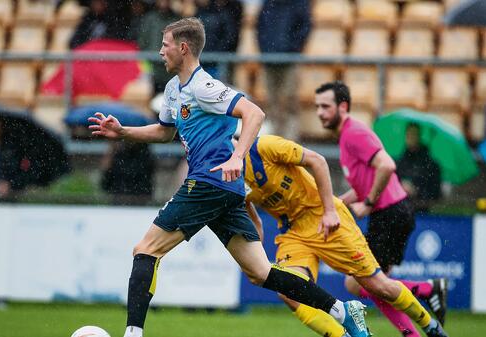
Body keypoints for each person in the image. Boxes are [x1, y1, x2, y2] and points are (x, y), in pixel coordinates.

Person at [89, 18, 371, 337]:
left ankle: (132, 334)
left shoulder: (203, 86)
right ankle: (342, 310)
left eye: (165, 44)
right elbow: (165, 132)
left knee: (146, 250)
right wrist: (124, 131)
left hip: (208, 182)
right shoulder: (172, 89)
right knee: (261, 272)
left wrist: (238, 156)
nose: (160, 51)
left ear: (183, 48)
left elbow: (254, 113)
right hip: (225, 189)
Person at [241, 134, 449, 337]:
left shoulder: (264, 147)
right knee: (288, 293)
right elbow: (255, 221)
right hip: (292, 232)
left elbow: (318, 161)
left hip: (323, 217)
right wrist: (254, 251)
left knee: (378, 286)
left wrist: (330, 211)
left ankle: (429, 325)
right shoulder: (228, 176)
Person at [315, 81, 449, 337]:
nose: (320, 112)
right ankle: (416, 324)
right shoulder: (347, 137)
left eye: (325, 106)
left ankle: (425, 290)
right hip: (390, 214)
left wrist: (368, 203)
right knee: (375, 286)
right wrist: (334, 205)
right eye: (317, 107)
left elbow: (386, 165)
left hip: (390, 214)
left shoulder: (354, 133)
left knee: (360, 283)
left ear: (343, 107)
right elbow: (363, 183)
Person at [257, 0, 310, 139]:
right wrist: (265, 49)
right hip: (269, 59)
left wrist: (292, 48)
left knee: (289, 101)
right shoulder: (269, 3)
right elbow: (260, 26)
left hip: (289, 60)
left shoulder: (299, 4)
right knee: (271, 102)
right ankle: (274, 141)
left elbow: (305, 27)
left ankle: (290, 141)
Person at [396, 123, 442, 213]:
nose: (411, 137)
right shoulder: (398, 163)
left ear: (419, 136)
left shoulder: (431, 165)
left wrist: (416, 191)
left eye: (414, 134)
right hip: (399, 213)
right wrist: (400, 188)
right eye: (408, 134)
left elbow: (435, 194)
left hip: (422, 213)